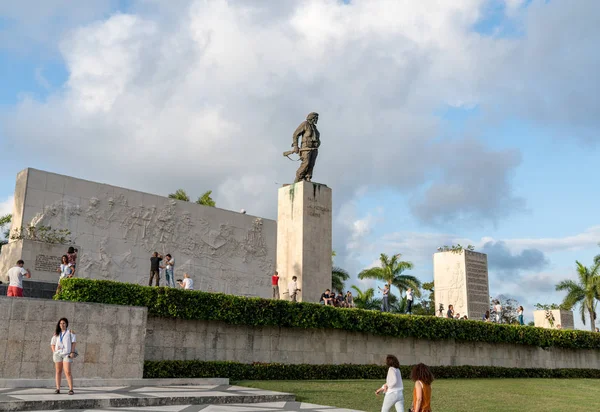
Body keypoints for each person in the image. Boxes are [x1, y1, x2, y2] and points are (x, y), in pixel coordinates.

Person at [292, 112, 321, 183]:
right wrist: (296, 146)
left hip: (314, 149)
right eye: (316, 118)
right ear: (312, 118)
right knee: (306, 163)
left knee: (311, 164)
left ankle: (308, 177)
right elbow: (296, 134)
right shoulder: (305, 124)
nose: (317, 120)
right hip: (306, 148)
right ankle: (298, 178)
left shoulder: (314, 127)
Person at [51, 317, 77, 395]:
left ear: (66, 324)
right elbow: (52, 344)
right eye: (61, 323)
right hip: (58, 354)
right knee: (58, 371)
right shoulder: (56, 334)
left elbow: (74, 343)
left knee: (67, 371)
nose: (62, 325)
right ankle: (58, 388)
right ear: (59, 325)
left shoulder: (70, 332)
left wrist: (72, 352)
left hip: (67, 354)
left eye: (64, 323)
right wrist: (54, 352)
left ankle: (71, 389)